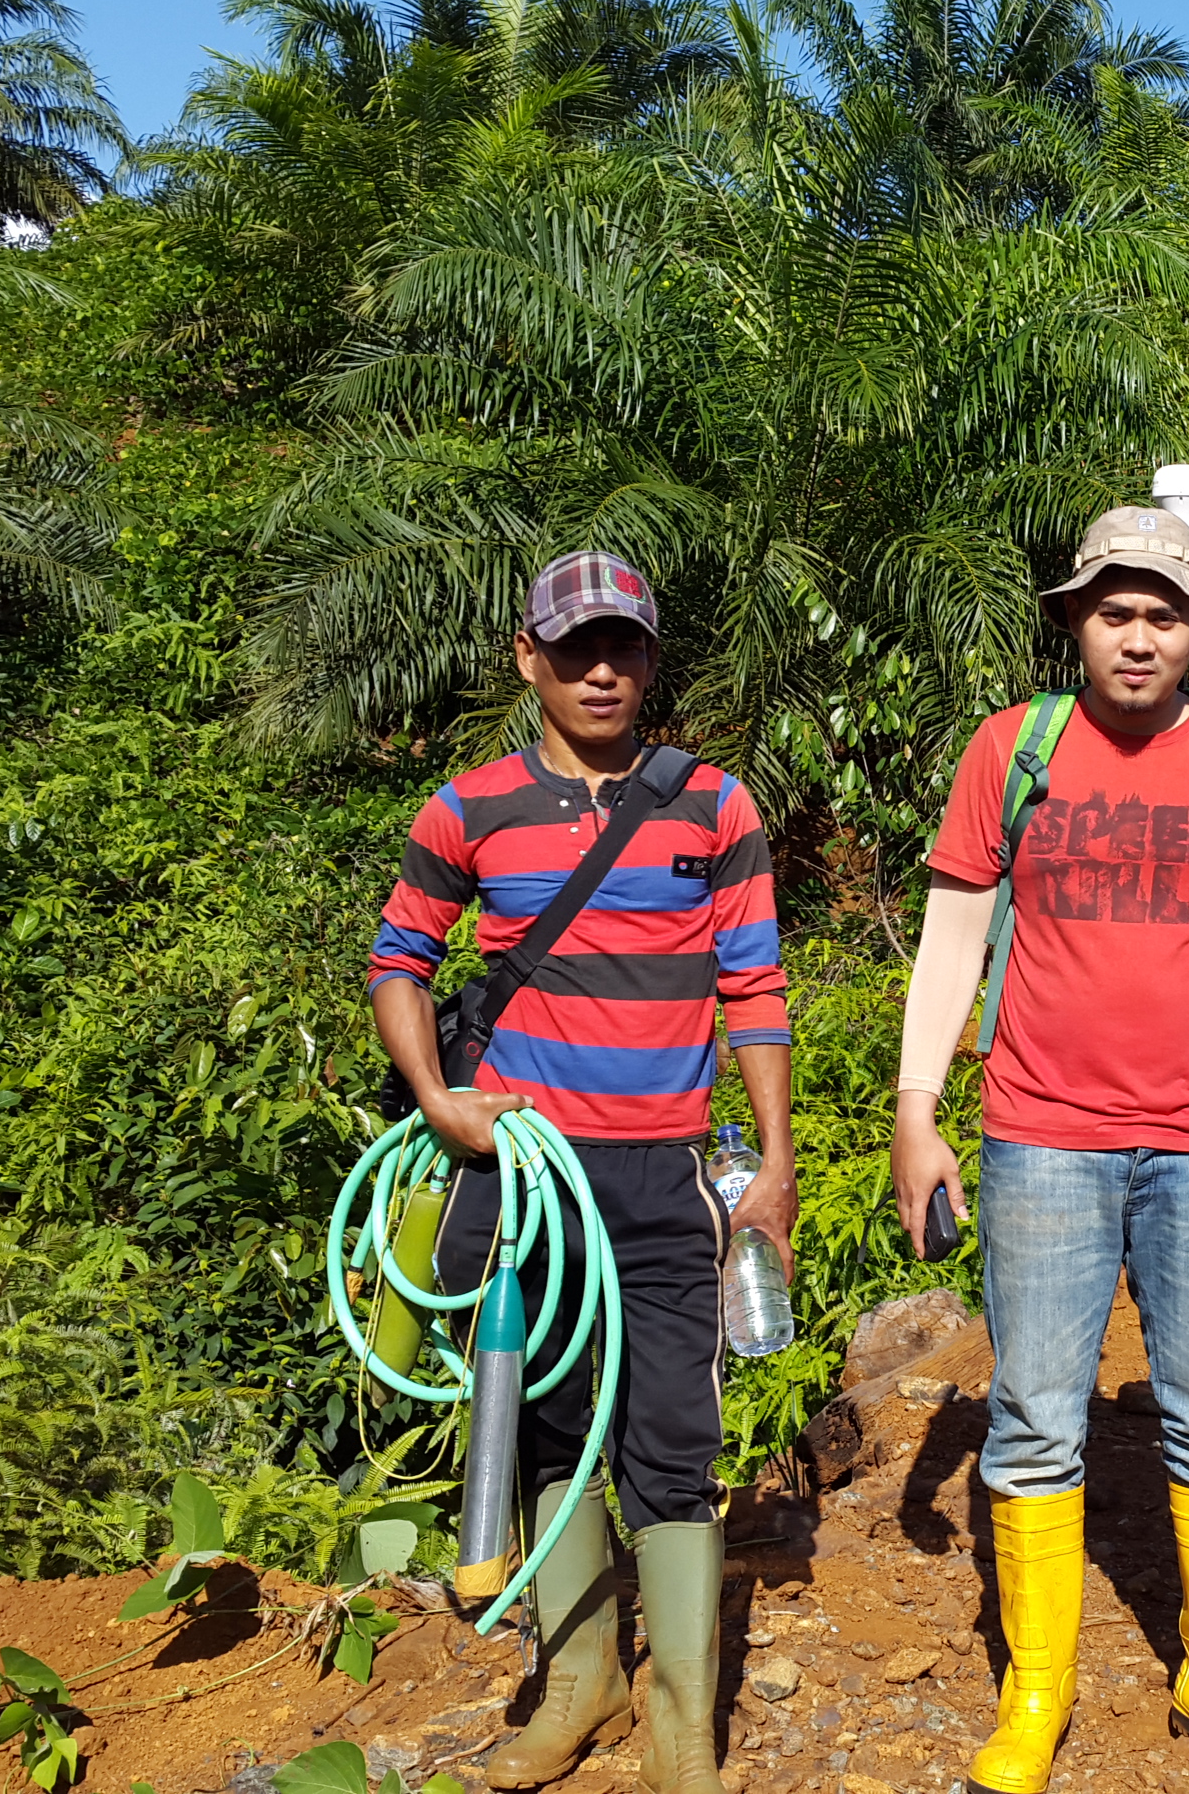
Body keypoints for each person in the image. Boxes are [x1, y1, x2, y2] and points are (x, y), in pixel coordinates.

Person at [891, 504, 1189, 1794]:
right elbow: (953, 933)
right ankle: (1036, 1687)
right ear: (1076, 624)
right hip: (1041, 1133)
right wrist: (917, 1107)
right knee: (1036, 1415)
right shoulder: (1014, 749)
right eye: (1115, 613)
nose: (1139, 638)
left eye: (1163, 614)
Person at [366, 550, 797, 1794]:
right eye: (574, 649)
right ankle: (580, 1683)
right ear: (529, 659)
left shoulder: (715, 806)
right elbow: (399, 960)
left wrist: (773, 1163)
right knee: (544, 1422)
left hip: (666, 1176)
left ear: (651, 660)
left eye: (623, 647)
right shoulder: (467, 808)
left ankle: (682, 1728)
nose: (600, 671)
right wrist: (441, 1101)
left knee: (672, 1436)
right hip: (525, 1178)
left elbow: (755, 986)